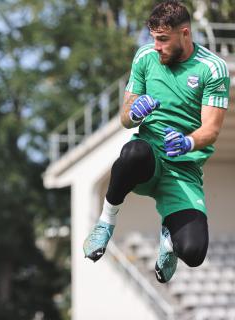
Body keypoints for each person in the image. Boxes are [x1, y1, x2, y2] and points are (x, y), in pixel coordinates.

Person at [83, 0, 230, 283]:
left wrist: (187, 142)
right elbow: (125, 118)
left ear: (185, 34)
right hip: (149, 157)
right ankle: (105, 222)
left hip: (183, 170)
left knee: (194, 252)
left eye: (163, 39)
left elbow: (211, 130)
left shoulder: (212, 69)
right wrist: (133, 113)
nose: (157, 46)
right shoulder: (145, 57)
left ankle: (170, 237)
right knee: (133, 152)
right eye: (153, 39)